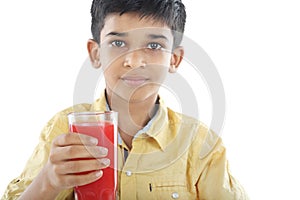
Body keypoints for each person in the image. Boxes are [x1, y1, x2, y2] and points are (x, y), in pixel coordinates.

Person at [2, 0, 249, 199]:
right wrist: (47, 182)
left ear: (174, 59)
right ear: (96, 53)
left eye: (154, 45)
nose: (134, 61)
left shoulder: (201, 145)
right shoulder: (64, 128)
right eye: (118, 43)